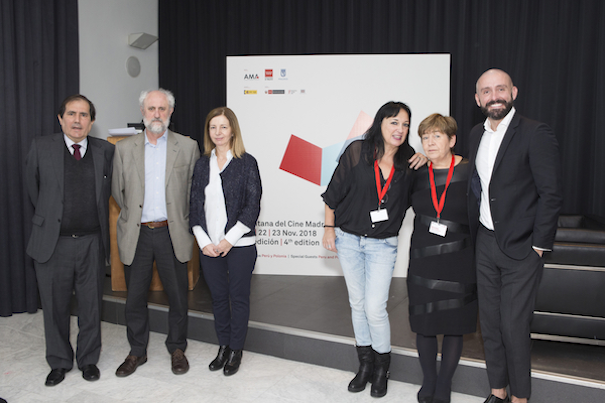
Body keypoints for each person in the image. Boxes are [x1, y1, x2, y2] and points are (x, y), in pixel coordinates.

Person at [468, 69, 562, 403]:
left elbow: (551, 194)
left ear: (514, 92)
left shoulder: (535, 133)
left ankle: (521, 398)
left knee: (513, 328)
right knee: (490, 326)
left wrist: (539, 245)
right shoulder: (474, 136)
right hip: (485, 244)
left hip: (523, 249)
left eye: (500, 89)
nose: (494, 96)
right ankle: (498, 391)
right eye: (486, 91)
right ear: (478, 99)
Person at [322, 101, 426, 398]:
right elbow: (332, 194)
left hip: (383, 245)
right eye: (394, 122)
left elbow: (427, 195)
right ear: (380, 123)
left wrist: (427, 160)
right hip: (348, 239)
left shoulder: (410, 164)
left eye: (405, 124)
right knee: (357, 304)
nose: (400, 129)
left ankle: (383, 368)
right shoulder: (357, 151)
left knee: (374, 308)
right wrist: (329, 228)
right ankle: (365, 365)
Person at [25, 94, 114, 386]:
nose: (78, 120)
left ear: (92, 121)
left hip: (91, 242)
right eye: (72, 114)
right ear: (60, 118)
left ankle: (88, 360)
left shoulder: (105, 151)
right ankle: (59, 362)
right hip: (54, 243)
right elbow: (33, 191)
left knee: (91, 307)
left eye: (84, 115)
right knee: (54, 307)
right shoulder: (41, 147)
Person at [112, 89, 200, 377]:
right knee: (134, 297)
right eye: (151, 109)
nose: (157, 114)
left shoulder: (187, 147)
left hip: (170, 232)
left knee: (177, 296)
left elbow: (192, 192)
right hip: (136, 234)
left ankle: (177, 348)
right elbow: (118, 192)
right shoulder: (124, 149)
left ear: (170, 112)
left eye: (162, 109)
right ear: (142, 112)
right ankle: (137, 351)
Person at [408, 114, 477, 403]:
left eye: (437, 136)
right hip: (423, 257)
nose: (430, 142)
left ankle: (445, 384)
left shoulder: (472, 171)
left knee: (453, 324)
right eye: (425, 137)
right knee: (424, 324)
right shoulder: (416, 171)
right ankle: (429, 381)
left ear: (452, 140)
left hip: (459, 258)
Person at [190, 107, 262, 376]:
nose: (218, 132)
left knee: (238, 298)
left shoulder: (246, 162)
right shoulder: (201, 164)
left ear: (233, 130)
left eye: (223, 127)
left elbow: (251, 206)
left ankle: (236, 350)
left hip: (239, 245)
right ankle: (223, 346)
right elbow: (195, 205)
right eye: (213, 127)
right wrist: (204, 241)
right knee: (218, 299)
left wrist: (229, 240)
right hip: (208, 246)